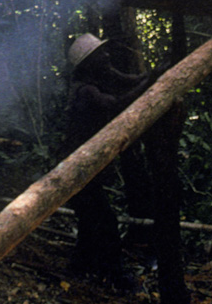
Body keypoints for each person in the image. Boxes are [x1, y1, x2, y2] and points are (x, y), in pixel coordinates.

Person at [61, 34, 152, 288]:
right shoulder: (86, 91)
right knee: (105, 222)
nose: (108, 56)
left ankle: (78, 268)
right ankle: (117, 277)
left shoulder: (100, 77)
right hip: (76, 170)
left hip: (84, 169)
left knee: (91, 221)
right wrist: (151, 82)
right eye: (102, 53)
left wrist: (156, 74)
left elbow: (129, 81)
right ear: (90, 62)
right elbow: (118, 103)